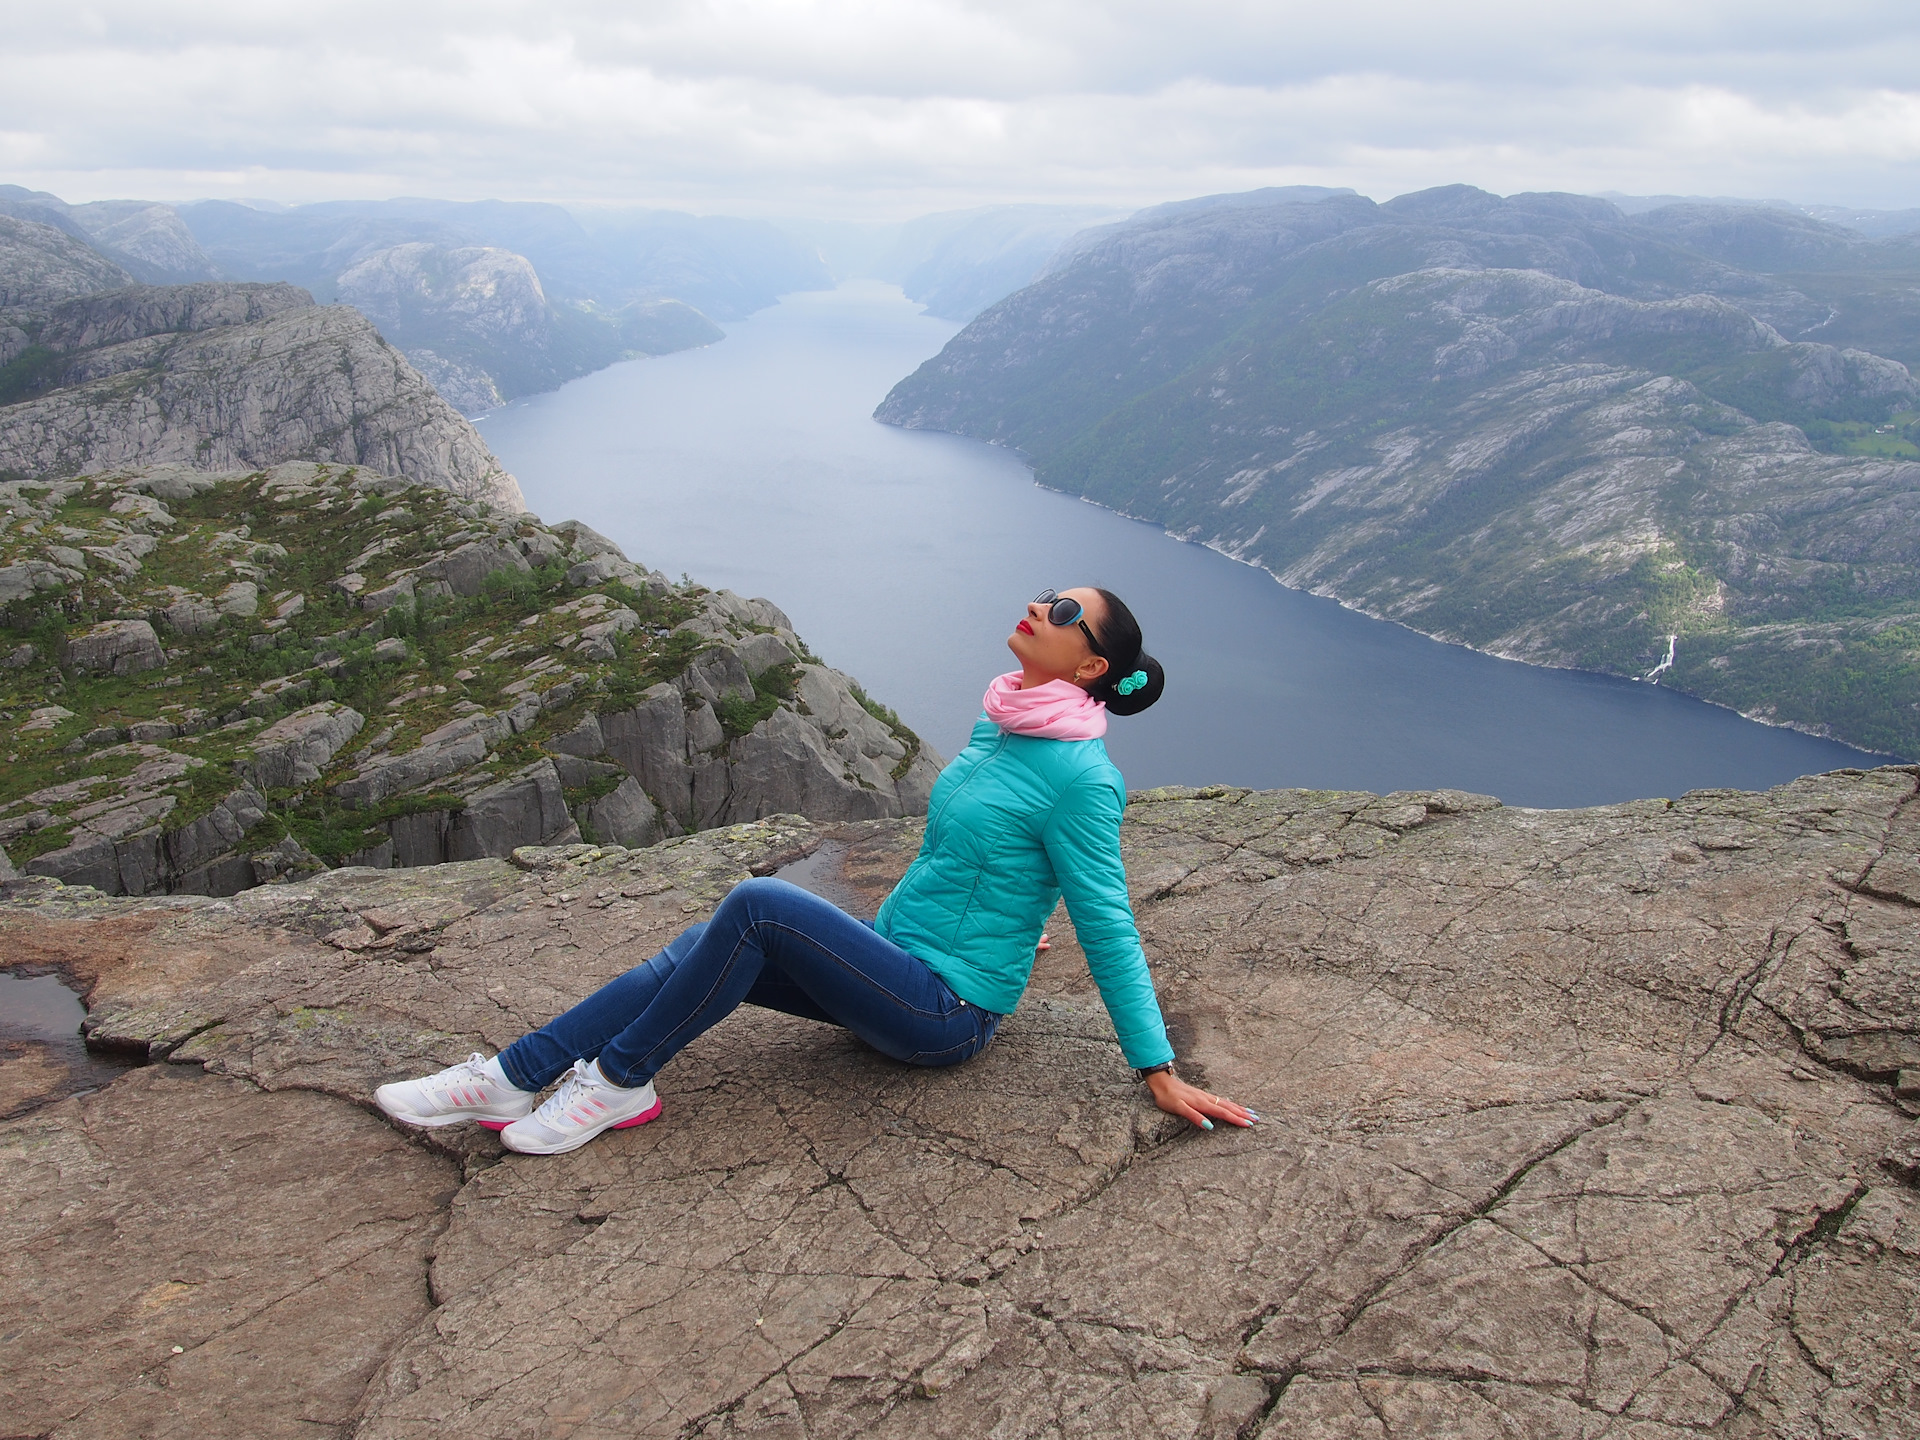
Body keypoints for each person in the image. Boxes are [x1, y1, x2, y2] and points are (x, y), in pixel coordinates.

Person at [375, 586, 1257, 1155]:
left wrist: (1157, 1066)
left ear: (1094, 666)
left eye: (1065, 616)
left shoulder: (1080, 778)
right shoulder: (1009, 724)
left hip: (946, 1013)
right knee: (699, 942)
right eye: (1045, 597)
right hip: (892, 962)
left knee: (759, 905)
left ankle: (616, 1081)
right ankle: (509, 1078)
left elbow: (1107, 923)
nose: (1040, 610)